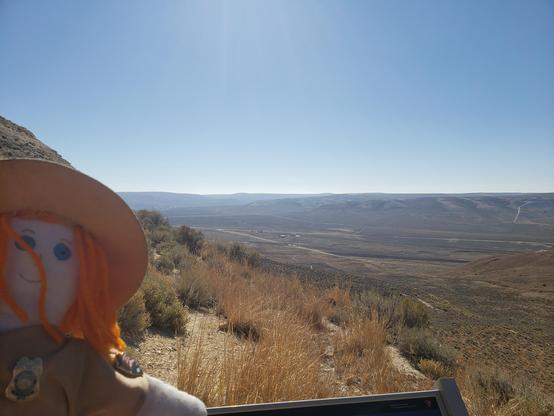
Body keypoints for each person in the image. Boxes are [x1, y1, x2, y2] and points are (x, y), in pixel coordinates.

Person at [0, 158, 207, 415]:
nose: (38, 259)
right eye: (24, 241)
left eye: (62, 251)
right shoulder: (78, 363)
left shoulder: (79, 364)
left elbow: (152, 400)